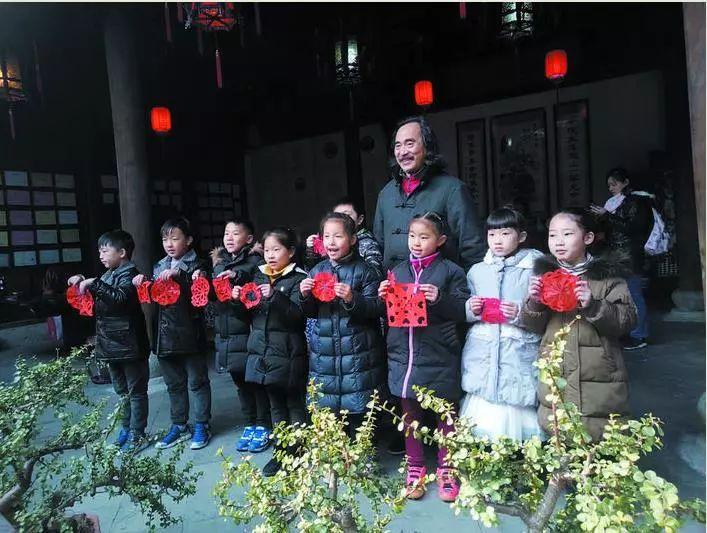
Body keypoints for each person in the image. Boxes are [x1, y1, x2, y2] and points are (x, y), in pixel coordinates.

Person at [519, 208, 637, 441]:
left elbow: (627, 321)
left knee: (601, 438)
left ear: (588, 238)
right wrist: (534, 302)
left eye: (567, 234)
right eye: (553, 235)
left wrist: (594, 305)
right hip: (556, 368)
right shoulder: (544, 277)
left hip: (600, 375)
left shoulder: (608, 278)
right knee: (558, 434)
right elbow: (532, 326)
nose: (558, 242)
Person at [378, 212, 470, 503]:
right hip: (403, 355)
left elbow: (463, 310)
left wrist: (440, 298)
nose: (416, 242)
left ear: (440, 240)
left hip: (439, 353)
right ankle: (415, 468)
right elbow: (387, 312)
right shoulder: (398, 270)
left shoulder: (452, 271)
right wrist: (383, 295)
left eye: (424, 237)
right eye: (412, 236)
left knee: (446, 415)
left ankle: (447, 469)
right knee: (410, 416)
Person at [460, 207, 545, 441]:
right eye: (492, 234)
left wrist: (519, 313)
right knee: (483, 408)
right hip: (484, 350)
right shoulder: (477, 271)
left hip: (516, 351)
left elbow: (545, 314)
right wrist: (471, 309)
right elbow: (466, 307)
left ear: (522, 236)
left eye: (505, 233)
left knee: (517, 399)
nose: (497, 240)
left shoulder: (535, 270)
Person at [300, 212, 385, 434]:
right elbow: (310, 313)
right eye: (327, 236)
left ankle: (364, 451)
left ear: (353, 239)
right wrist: (305, 296)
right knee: (330, 416)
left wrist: (352, 298)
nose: (331, 242)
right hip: (325, 355)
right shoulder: (317, 270)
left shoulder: (365, 271)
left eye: (338, 236)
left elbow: (377, 308)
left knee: (360, 415)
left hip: (357, 354)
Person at [132, 217, 212, 451]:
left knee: (197, 382)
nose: (169, 243)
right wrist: (143, 282)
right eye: (165, 239)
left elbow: (201, 295)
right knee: (174, 385)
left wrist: (181, 277)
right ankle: (179, 425)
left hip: (191, 334)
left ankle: (202, 424)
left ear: (189, 240)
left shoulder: (200, 265)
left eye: (175, 238)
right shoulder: (159, 266)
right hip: (164, 335)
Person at [233, 227, 308, 477]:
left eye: (277, 249)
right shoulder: (258, 276)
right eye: (267, 250)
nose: (271, 255)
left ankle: (298, 451)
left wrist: (276, 297)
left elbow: (298, 317)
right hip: (262, 353)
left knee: (294, 404)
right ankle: (281, 452)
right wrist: (236, 301)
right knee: (275, 406)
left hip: (289, 354)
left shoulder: (297, 278)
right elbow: (247, 316)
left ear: (291, 252)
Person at [68, 230, 150, 452]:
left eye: (105, 251)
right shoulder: (107, 275)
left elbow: (119, 299)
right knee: (121, 391)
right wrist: (81, 282)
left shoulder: (130, 274)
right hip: (110, 343)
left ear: (122, 253)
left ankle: (138, 433)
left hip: (130, 344)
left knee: (136, 392)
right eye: (100, 252)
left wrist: (93, 284)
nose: (101, 256)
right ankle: (126, 428)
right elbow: (99, 297)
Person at [373, 115, 485, 272]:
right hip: (393, 284)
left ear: (427, 147)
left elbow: (473, 248)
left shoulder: (452, 189)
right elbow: (378, 245)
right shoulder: (386, 193)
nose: (402, 152)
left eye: (410, 143)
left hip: (440, 285)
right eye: (398, 146)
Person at [208, 219, 270, 453]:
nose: (229, 237)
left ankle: (264, 424)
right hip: (226, 333)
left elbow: (253, 281)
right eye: (227, 233)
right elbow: (214, 295)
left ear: (249, 239)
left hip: (248, 331)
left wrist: (235, 275)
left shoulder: (256, 261)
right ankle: (250, 423)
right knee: (240, 384)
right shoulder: (218, 263)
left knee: (256, 382)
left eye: (236, 233)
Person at [589, 168, 652, 350]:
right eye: (609, 185)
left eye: (614, 184)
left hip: (631, 255)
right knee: (619, 294)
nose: (611, 188)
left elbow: (633, 228)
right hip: (616, 255)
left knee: (634, 294)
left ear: (625, 182)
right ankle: (626, 331)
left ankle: (639, 335)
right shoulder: (614, 203)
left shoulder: (637, 201)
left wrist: (607, 216)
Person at [305, 196, 384, 277]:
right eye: (336, 216)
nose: (341, 220)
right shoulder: (328, 242)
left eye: (346, 215)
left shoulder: (368, 243)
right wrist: (311, 251)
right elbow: (314, 272)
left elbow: (375, 274)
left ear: (360, 219)